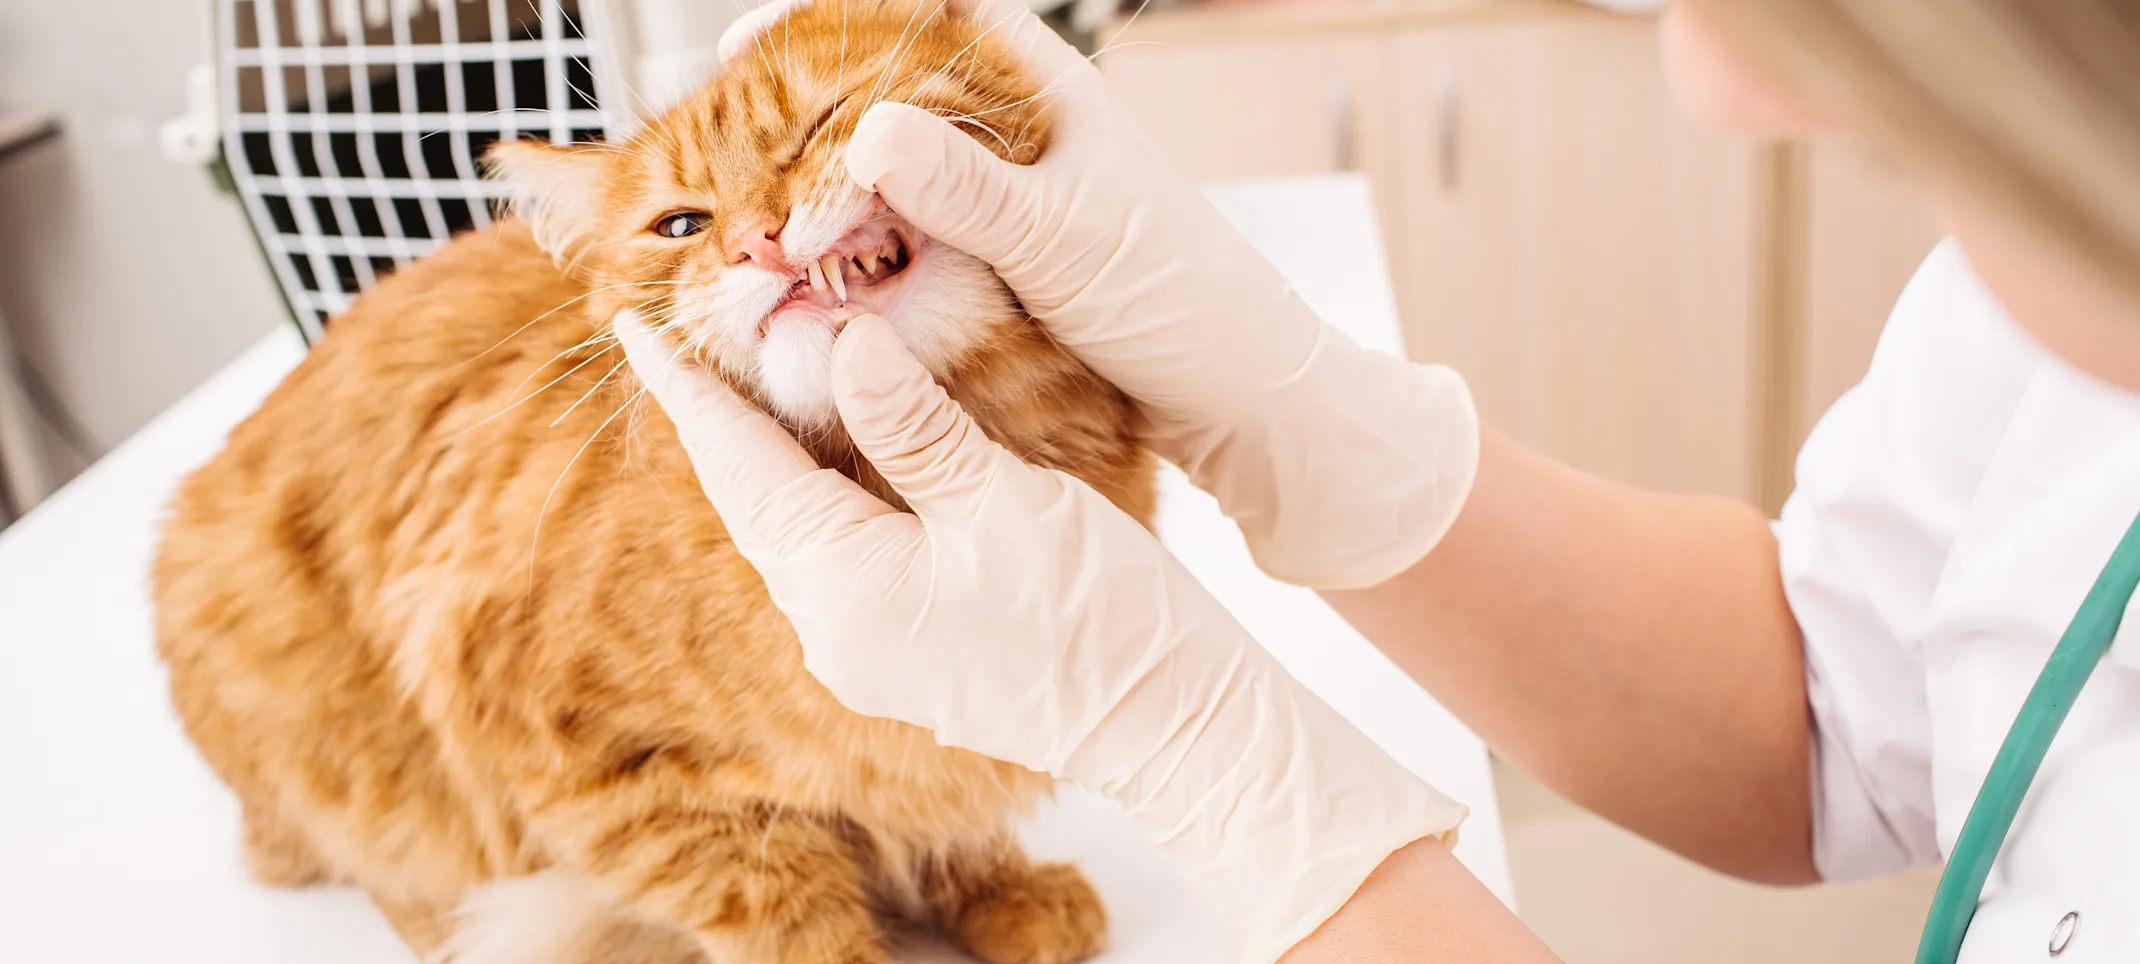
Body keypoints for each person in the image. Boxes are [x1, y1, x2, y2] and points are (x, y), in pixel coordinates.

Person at [616, 1, 2140, 961]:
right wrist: (1301, 415)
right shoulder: (2066, 282)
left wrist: (1207, 753)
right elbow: (1831, 702)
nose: (1717, 74)